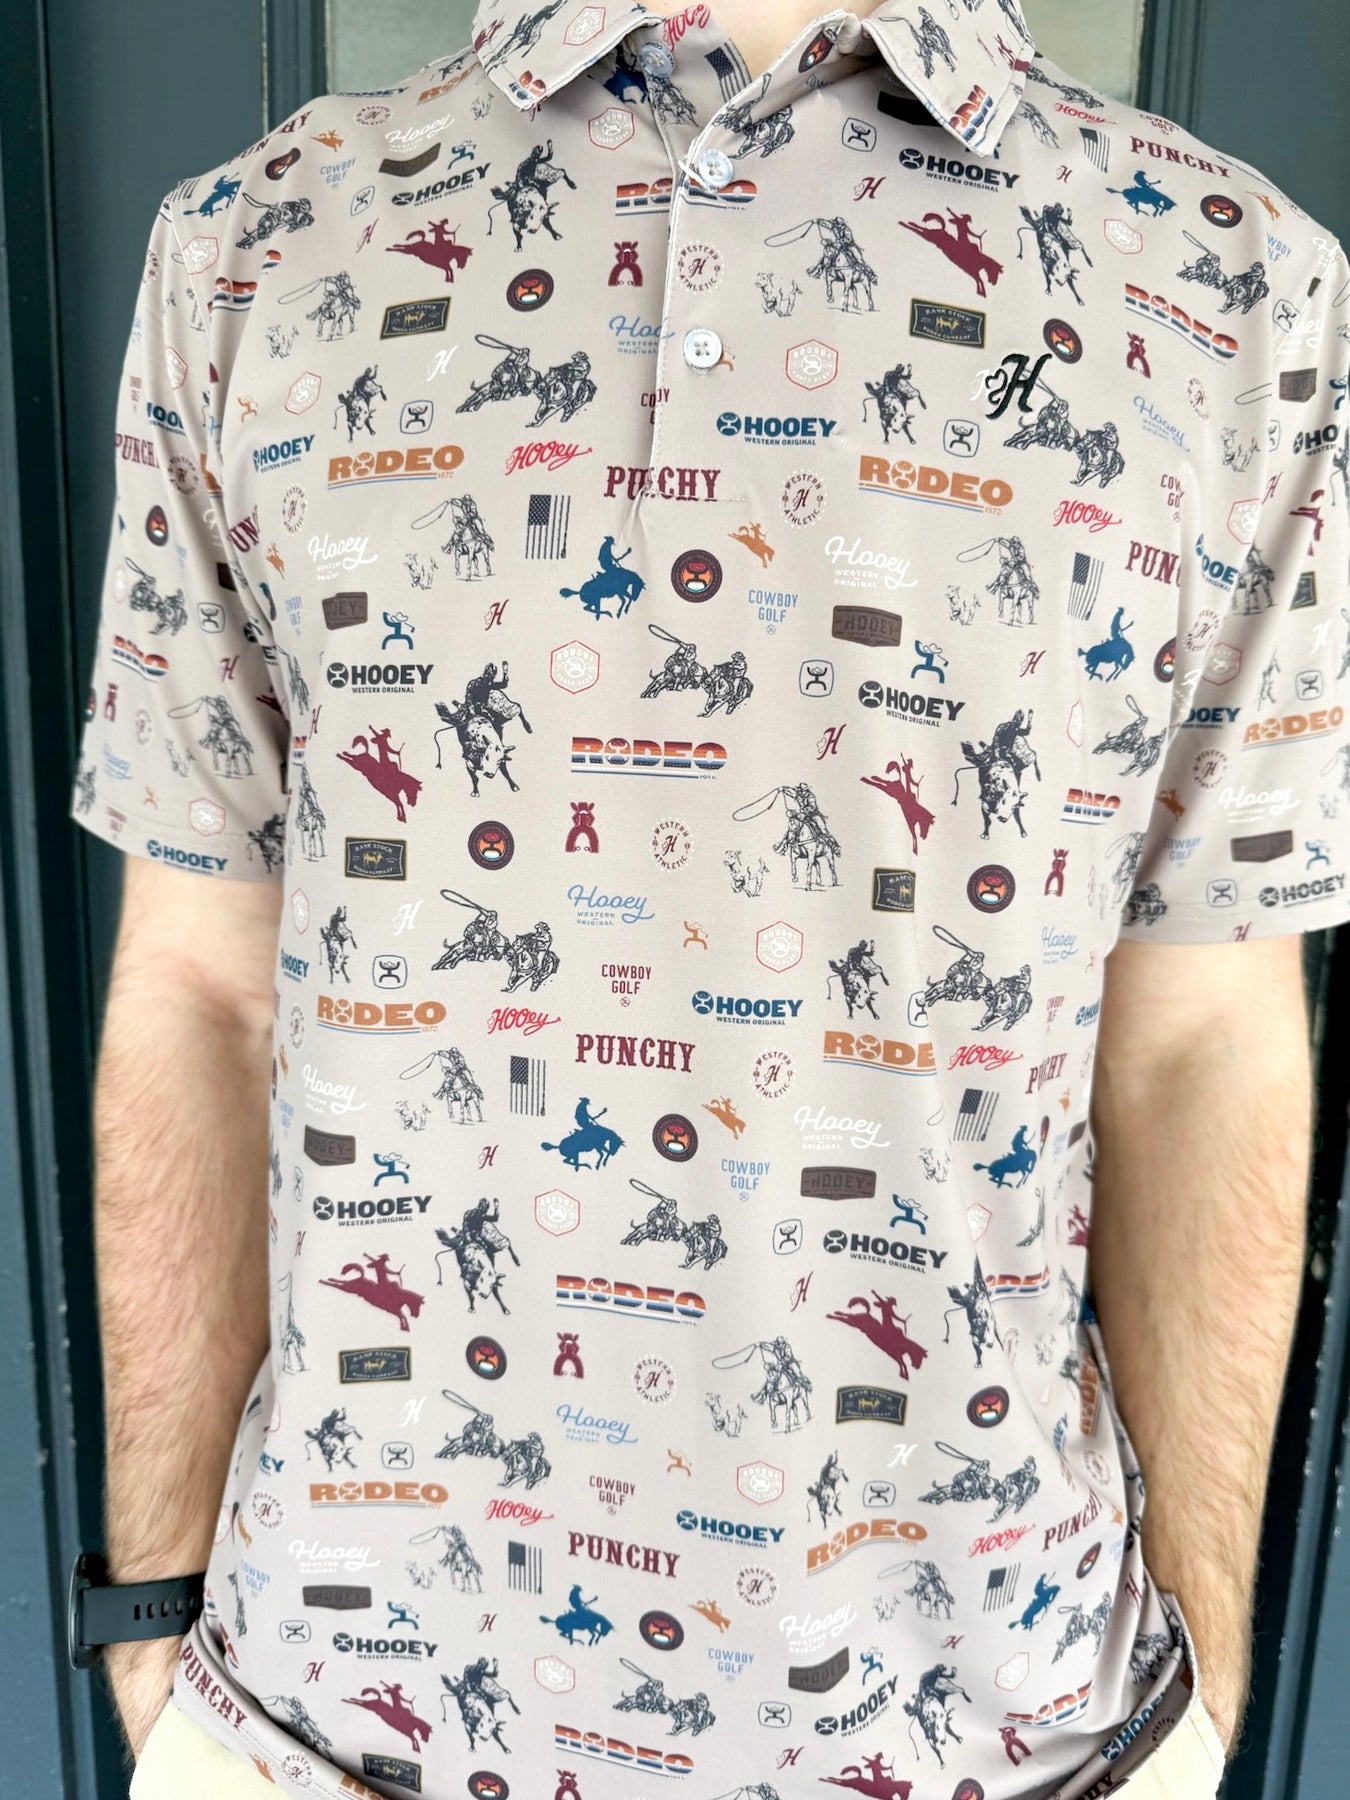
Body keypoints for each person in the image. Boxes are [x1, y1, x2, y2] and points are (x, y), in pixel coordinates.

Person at [68, 1, 1349, 1797]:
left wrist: (1198, 1701)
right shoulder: (257, 249)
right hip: (324, 1721)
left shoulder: (1232, 285)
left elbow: (1204, 1034)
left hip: (1006, 1732)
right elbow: (200, 987)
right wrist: (155, 1634)